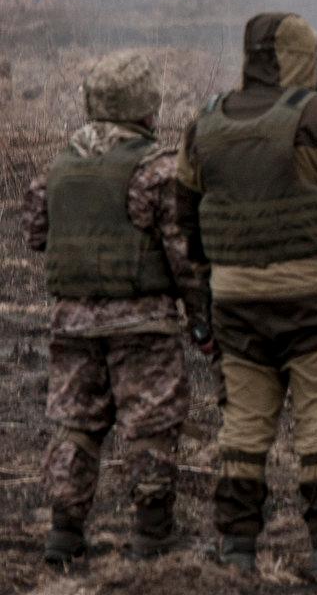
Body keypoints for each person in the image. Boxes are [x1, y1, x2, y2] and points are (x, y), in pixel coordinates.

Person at [177, 13, 317, 581]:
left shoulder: (204, 124)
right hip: (313, 299)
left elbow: (186, 219)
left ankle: (237, 551)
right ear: (303, 56)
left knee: (243, 427)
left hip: (235, 301)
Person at [27, 50, 211, 569]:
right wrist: (203, 318)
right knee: (151, 425)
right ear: (147, 107)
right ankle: (151, 537)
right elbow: (185, 256)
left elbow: (37, 236)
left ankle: (64, 535)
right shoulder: (157, 168)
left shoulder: (57, 166)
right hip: (143, 321)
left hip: (71, 321)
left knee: (76, 425)